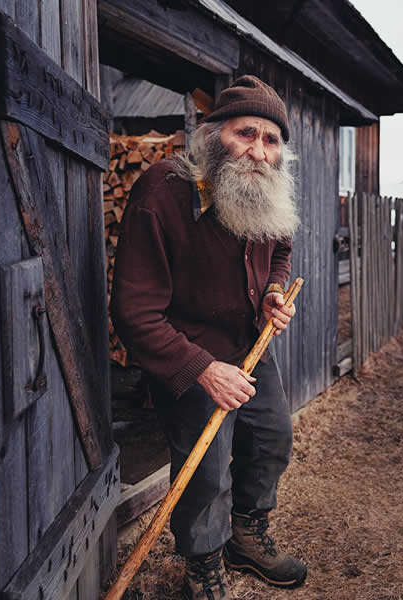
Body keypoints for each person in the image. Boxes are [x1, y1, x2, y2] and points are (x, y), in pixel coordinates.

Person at [111, 75, 306, 600]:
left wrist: (272, 289)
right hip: (187, 349)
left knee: (271, 440)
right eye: (246, 133)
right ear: (213, 134)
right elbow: (133, 311)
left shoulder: (268, 187)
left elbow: (280, 250)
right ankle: (203, 563)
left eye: (271, 140)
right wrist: (201, 369)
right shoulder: (163, 191)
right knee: (206, 467)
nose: (259, 152)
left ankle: (246, 537)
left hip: (249, 342)